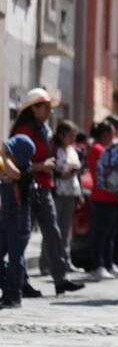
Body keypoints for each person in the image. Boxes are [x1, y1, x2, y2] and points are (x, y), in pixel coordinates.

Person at [10, 88, 84, 296]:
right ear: (33, 108)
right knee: (22, 237)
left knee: (53, 232)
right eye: (45, 108)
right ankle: (20, 281)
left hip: (44, 187)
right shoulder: (24, 131)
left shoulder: (43, 130)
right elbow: (14, 163)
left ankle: (60, 279)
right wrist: (41, 166)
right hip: (26, 188)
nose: (49, 112)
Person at [0, 135, 36, 308]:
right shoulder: (5, 165)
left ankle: (14, 295)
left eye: (10, 150)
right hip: (4, 217)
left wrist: (4, 155)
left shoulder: (25, 171)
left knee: (15, 259)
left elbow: (14, 173)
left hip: (19, 220)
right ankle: (7, 289)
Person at [87, 120, 118, 280]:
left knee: (109, 234)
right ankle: (97, 265)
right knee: (100, 233)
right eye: (113, 133)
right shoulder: (97, 149)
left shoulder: (104, 149)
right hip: (101, 196)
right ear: (106, 134)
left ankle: (108, 264)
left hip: (111, 196)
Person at [51, 120, 83, 274]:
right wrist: (61, 174)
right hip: (58, 193)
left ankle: (66, 261)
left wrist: (80, 193)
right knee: (53, 229)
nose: (73, 138)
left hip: (71, 192)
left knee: (66, 230)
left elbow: (78, 172)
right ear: (62, 135)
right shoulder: (55, 150)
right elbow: (51, 170)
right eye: (70, 135)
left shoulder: (73, 150)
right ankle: (47, 263)